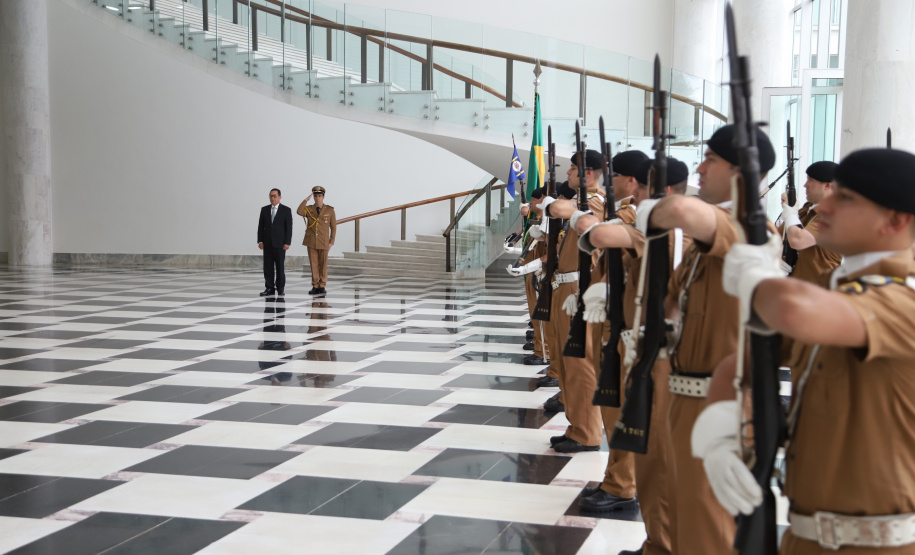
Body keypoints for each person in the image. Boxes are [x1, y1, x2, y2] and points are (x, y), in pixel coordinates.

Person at [694, 148, 915, 554]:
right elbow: (741, 361)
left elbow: (793, 311)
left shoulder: (906, 298)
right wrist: (721, 433)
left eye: (845, 198)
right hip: (801, 536)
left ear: (897, 220)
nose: (823, 203)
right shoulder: (835, 286)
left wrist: (758, 275)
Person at [634, 124, 776, 553]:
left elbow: (680, 213)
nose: (699, 168)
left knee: (708, 530)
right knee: (680, 511)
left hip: (719, 402)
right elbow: (674, 303)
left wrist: (647, 211)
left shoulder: (748, 231)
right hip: (681, 393)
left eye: (710, 159)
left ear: (740, 172)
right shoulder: (704, 246)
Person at [780, 161, 843, 283]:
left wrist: (791, 214)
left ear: (827, 186)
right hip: (797, 287)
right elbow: (778, 235)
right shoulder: (807, 209)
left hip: (821, 292)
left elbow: (798, 240)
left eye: (810, 180)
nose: (805, 185)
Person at [297, 186, 337, 295]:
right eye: (315, 196)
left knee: (323, 264)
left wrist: (331, 241)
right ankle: (315, 285)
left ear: (323, 197)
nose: (317, 198)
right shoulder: (309, 209)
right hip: (312, 241)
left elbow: (333, 227)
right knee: (314, 264)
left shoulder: (329, 210)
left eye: (319, 196)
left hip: (324, 241)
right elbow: (299, 211)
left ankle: (322, 285)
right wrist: (306, 200)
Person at [257, 188, 293, 296]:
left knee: (280, 267)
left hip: (280, 244)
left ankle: (280, 287)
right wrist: (260, 241)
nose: (273, 198)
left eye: (275, 196)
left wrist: (287, 242)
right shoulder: (264, 209)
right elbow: (260, 227)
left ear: (280, 197)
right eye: (271, 196)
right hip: (267, 243)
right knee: (268, 267)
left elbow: (289, 228)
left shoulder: (286, 210)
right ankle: (269, 288)